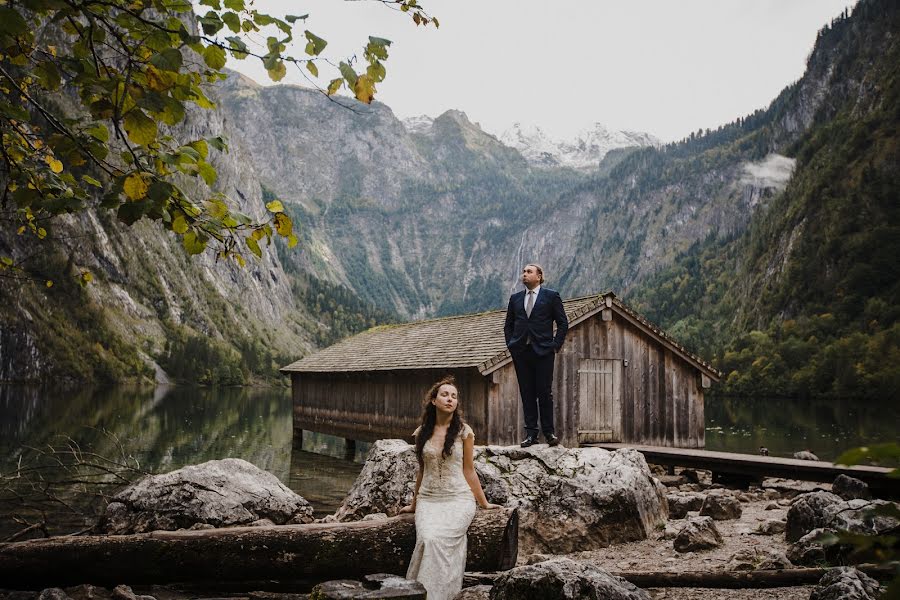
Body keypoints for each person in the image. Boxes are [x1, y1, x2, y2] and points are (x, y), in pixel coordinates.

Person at [399, 376, 500, 600]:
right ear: (433, 401)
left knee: (440, 539)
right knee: (427, 538)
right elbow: (422, 471)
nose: (450, 399)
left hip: (458, 499)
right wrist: (414, 505)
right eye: (445, 394)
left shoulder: (465, 432)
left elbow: (469, 470)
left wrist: (483, 503)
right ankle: (417, 593)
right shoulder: (421, 432)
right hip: (429, 499)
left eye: (454, 396)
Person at [504, 263, 569, 447]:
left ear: (539, 276)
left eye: (529, 272)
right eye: (523, 272)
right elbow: (508, 325)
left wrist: (554, 346)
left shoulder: (551, 296)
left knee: (544, 392)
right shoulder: (515, 299)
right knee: (527, 393)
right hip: (521, 353)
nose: (524, 274)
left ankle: (549, 433)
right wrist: (512, 345)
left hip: (543, 352)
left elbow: (563, 323)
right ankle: (531, 434)